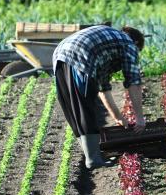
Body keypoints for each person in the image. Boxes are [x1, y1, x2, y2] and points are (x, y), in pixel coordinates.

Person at [52, 24, 146, 169]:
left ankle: (92, 155)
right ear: (137, 44)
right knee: (85, 106)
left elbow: (103, 88)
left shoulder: (108, 45)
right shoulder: (129, 44)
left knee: (75, 109)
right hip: (79, 53)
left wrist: (118, 117)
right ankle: (93, 159)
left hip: (60, 53)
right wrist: (139, 118)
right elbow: (133, 82)